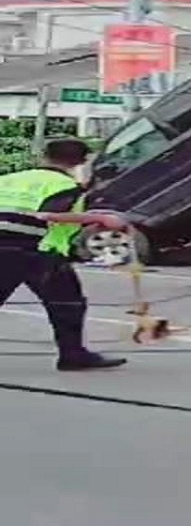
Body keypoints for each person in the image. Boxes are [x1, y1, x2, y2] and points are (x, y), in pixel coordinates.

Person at [0, 137, 130, 371]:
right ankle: (72, 355)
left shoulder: (8, 179)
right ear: (82, 162)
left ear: (44, 156)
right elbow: (48, 215)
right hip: (36, 251)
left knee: (66, 300)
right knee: (67, 303)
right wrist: (100, 218)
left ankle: (74, 355)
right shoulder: (65, 186)